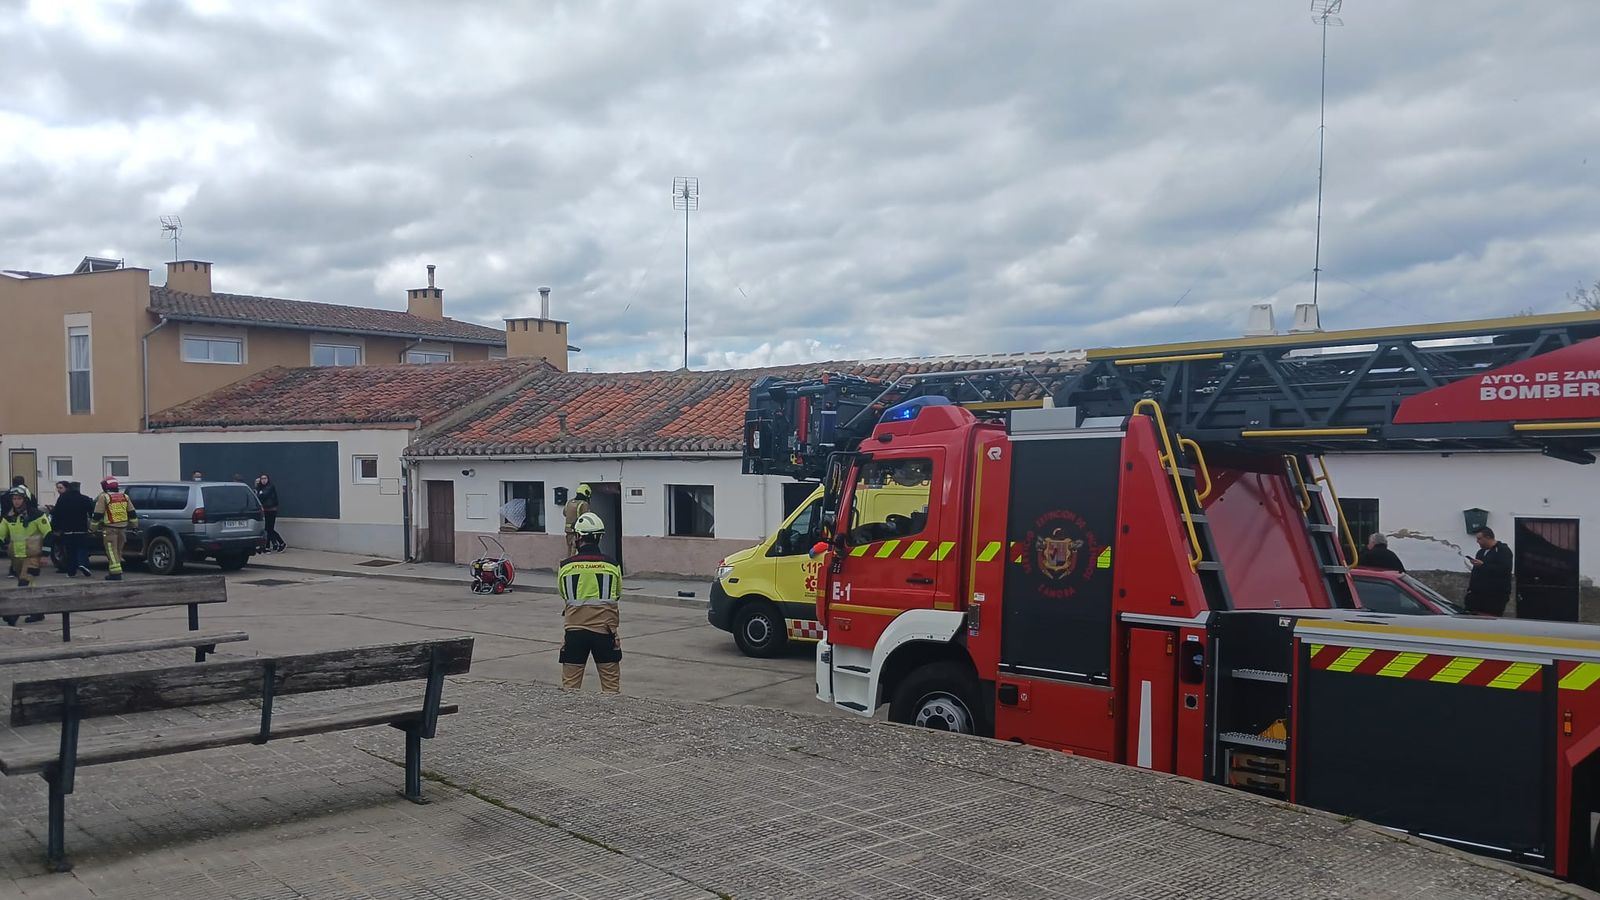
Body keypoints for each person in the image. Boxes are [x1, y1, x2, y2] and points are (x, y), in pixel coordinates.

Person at [556, 512, 622, 693]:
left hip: (574, 633)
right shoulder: (612, 565)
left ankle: (572, 718)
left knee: (570, 687)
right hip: (605, 633)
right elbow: (616, 595)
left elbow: (564, 594)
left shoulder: (565, 566)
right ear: (599, 537)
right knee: (611, 687)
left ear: (578, 537)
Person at [1, 488, 50, 624]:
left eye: (19, 498)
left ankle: (13, 614)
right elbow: (1, 534)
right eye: (14, 499)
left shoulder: (37, 515)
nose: (16, 502)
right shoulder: (8, 516)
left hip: (33, 556)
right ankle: (38, 612)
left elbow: (49, 534)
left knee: (23, 583)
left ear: (25, 500)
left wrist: (45, 554)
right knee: (29, 585)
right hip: (17, 557)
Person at [91, 476, 138, 581]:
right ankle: (116, 570)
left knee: (111, 551)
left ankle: (115, 573)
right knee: (118, 551)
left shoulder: (104, 497)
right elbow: (132, 513)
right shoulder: (125, 497)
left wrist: (92, 528)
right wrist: (134, 527)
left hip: (109, 529)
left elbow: (98, 514)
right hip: (122, 528)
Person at [1464, 527, 1514, 617]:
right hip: (1475, 596)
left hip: (1494, 597)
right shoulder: (1481, 552)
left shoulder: (1503, 551)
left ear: (1488, 537)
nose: (1477, 541)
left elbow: (1504, 570)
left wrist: (1483, 565)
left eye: (1479, 539)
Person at [50, 481, 94, 578]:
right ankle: (83, 564)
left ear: (69, 488)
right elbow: (92, 511)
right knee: (82, 548)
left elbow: (57, 514)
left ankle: (71, 571)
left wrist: (55, 528)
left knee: (70, 551)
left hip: (67, 529)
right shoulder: (84, 499)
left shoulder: (62, 499)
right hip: (81, 528)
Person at [562, 483, 593, 556]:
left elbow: (564, 513)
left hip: (568, 531)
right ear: (586, 493)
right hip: (577, 531)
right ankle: (574, 565)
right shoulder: (583, 504)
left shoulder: (569, 502)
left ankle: (567, 565)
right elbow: (586, 517)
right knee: (575, 551)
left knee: (569, 550)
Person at [255, 474, 282, 551]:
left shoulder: (270, 487)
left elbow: (263, 495)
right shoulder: (261, 488)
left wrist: (259, 492)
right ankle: (271, 545)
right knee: (268, 529)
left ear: (268, 479)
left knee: (269, 529)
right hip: (266, 510)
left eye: (265, 478)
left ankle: (279, 543)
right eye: (262, 478)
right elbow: (257, 496)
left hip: (271, 510)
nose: (263, 480)